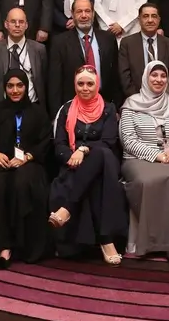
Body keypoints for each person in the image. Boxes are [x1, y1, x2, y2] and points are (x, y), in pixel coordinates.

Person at [119, 61, 169, 264]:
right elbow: (128, 141)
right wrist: (158, 156)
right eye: (154, 75)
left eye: (163, 76)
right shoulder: (131, 104)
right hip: (137, 160)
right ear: (146, 78)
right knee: (148, 181)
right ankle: (152, 243)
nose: (159, 80)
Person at [49, 66, 127, 264]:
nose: (85, 88)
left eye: (90, 84)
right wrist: (71, 156)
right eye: (80, 84)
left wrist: (83, 150)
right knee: (93, 182)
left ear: (97, 85)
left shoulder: (108, 109)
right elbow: (59, 143)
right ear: (74, 85)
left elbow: (108, 142)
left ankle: (67, 209)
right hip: (73, 164)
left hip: (105, 163)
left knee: (100, 153)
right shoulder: (66, 109)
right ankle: (106, 241)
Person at [0, 69, 52, 268]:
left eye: (19, 85)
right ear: (4, 88)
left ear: (26, 87)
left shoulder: (37, 112)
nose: (15, 90)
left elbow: (45, 142)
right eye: (10, 86)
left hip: (29, 163)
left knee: (23, 182)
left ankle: (25, 246)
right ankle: (3, 247)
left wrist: (27, 157)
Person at [48, 0, 122, 114]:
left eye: (87, 11)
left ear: (93, 14)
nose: (84, 15)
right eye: (79, 11)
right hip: (72, 108)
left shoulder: (108, 38)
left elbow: (115, 75)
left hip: (104, 105)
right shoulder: (60, 42)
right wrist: (56, 114)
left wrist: (116, 107)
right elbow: (55, 81)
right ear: (72, 14)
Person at [0, 8, 48, 107]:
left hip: (32, 105)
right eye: (13, 21)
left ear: (26, 25)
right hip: (3, 106)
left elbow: (43, 77)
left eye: (21, 22)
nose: (17, 25)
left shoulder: (39, 49)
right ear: (6, 24)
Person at [118, 3, 169, 97]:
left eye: (154, 16)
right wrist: (138, 99)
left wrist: (163, 96)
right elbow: (124, 76)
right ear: (139, 20)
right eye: (145, 16)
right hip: (136, 99)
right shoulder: (127, 43)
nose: (150, 20)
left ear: (159, 20)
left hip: (164, 98)